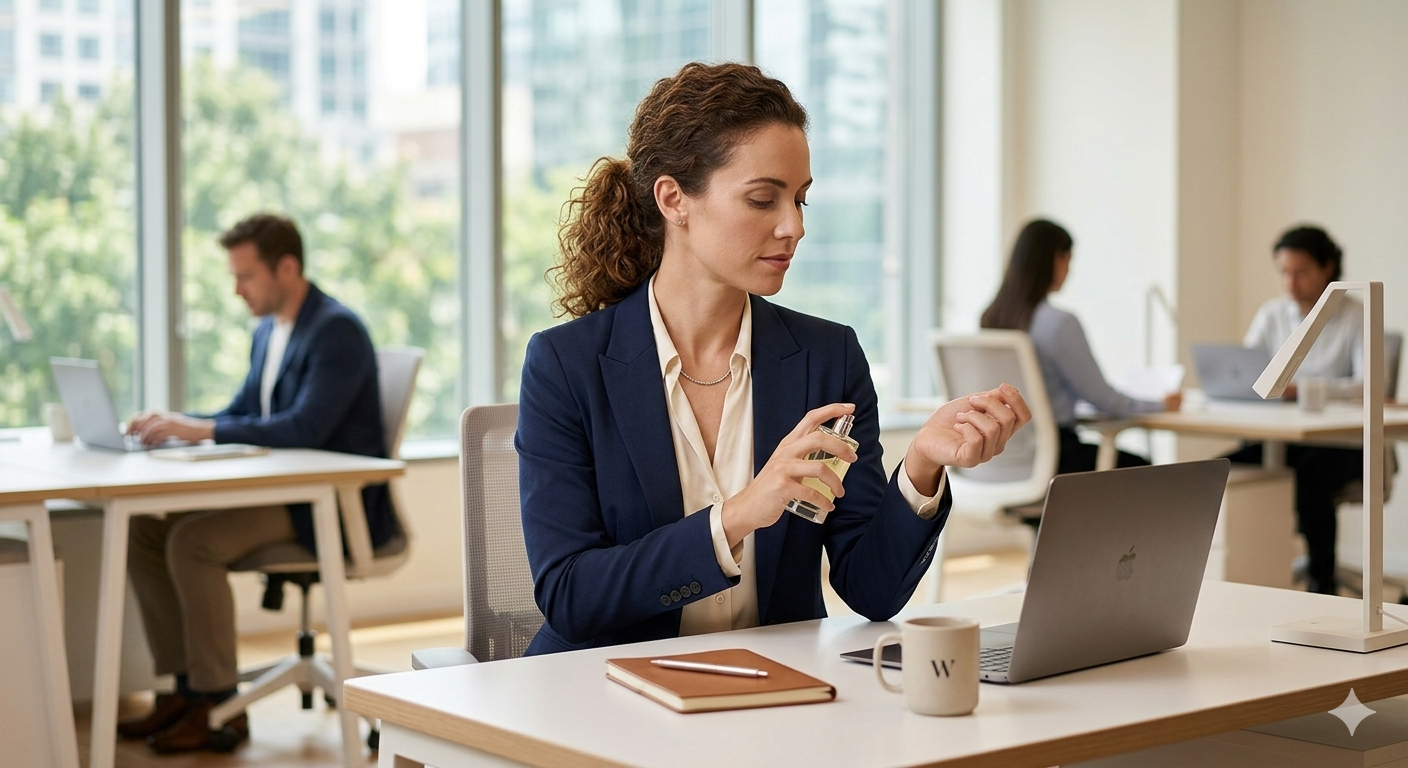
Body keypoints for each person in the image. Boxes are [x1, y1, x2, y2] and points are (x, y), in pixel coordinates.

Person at [516, 62, 1031, 655]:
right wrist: (737, 516)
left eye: (801, 200)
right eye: (763, 199)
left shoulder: (827, 358)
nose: (794, 227)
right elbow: (570, 595)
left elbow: (872, 591)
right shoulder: (566, 366)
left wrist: (920, 467)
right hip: (603, 694)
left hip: (772, 693)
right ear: (673, 199)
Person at [116, 213, 395, 753]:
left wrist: (200, 429)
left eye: (245, 276)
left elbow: (304, 427)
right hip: (287, 496)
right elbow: (243, 411)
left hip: (331, 509)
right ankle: (182, 691)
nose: (237, 289)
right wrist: (174, 424)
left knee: (192, 542)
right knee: (146, 532)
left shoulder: (336, 330)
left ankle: (218, 705)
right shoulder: (269, 330)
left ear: (286, 268)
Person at [980, 219, 1180, 475]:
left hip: (1003, 460)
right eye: (1067, 260)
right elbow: (1102, 398)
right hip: (1056, 457)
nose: (1069, 271)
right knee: (1145, 471)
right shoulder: (1059, 324)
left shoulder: (990, 320)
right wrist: (1162, 404)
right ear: (1053, 260)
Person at [1230, 225, 1362, 594]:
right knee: (1227, 468)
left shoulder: (1355, 315)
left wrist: (1303, 389)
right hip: (1284, 438)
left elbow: (1370, 384)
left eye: (1300, 272)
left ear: (1328, 268)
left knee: (1307, 478)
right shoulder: (1272, 315)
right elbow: (1248, 370)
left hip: (1346, 444)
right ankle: (1248, 574)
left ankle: (1322, 583)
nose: (1290, 282)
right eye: (1284, 272)